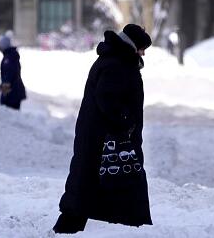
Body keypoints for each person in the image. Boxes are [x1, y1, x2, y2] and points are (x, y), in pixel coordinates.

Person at [53, 24, 153, 234]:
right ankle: (133, 227)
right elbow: (107, 99)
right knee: (104, 186)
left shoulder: (116, 59)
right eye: (142, 48)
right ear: (133, 45)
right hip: (104, 139)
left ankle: (69, 228)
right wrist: (125, 123)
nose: (143, 53)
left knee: (91, 188)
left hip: (100, 137)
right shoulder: (117, 63)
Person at [0, 35, 26, 110]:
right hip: (15, 91)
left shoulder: (8, 59)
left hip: (13, 94)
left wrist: (3, 94)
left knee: (10, 116)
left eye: (0, 46)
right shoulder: (11, 56)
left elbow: (8, 77)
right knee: (12, 116)